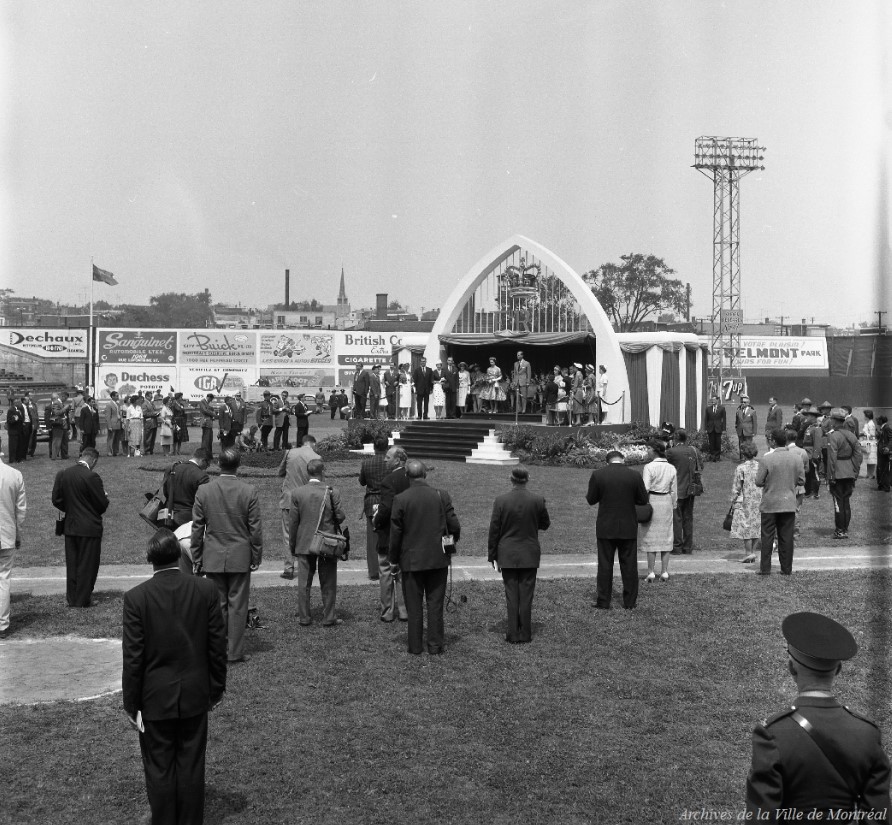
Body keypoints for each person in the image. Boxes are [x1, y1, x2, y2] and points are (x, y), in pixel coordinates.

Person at [123, 528, 227, 825]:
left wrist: (131, 704)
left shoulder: (136, 598)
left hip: (154, 699)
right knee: (191, 764)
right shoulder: (205, 590)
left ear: (149, 559)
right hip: (195, 694)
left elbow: (133, 658)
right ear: (179, 556)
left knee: (159, 766)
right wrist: (216, 689)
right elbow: (217, 645)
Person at [746, 612, 891, 818]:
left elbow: (761, 819)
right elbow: (879, 817)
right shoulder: (868, 734)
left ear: (791, 668)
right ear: (838, 669)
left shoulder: (773, 734)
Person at [190, 448, 262, 664]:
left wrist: (197, 556)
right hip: (239, 555)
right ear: (238, 465)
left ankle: (218, 650)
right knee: (238, 606)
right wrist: (256, 555)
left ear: (218, 464)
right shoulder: (248, 490)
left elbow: (197, 528)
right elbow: (255, 529)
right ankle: (235, 652)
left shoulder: (204, 491)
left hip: (213, 555)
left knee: (218, 605)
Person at [388, 459, 460, 654]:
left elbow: (395, 534)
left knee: (414, 606)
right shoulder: (441, 495)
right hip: (437, 559)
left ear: (407, 476)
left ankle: (415, 645)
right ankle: (435, 645)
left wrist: (393, 560)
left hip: (411, 561)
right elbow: (454, 526)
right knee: (435, 604)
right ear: (425, 474)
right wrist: (450, 543)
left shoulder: (401, 499)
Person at [488, 467, 550, 644]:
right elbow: (545, 524)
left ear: (511, 479)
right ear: (528, 479)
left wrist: (492, 555)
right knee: (526, 594)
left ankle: (513, 632)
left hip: (507, 552)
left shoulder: (501, 501)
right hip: (529, 552)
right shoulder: (537, 500)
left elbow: (494, 530)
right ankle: (526, 632)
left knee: (511, 594)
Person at [585, 449, 649, 609]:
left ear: (607, 461)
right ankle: (630, 602)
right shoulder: (634, 475)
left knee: (605, 565)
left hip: (606, 525)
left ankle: (604, 601)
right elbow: (642, 499)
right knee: (629, 565)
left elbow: (591, 499)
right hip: (628, 525)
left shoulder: (598, 474)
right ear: (623, 459)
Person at [288, 458, 347, 627]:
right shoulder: (332, 491)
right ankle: (329, 617)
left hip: (304, 542)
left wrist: (293, 545)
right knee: (328, 581)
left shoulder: (297, 492)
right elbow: (341, 516)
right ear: (323, 471)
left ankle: (304, 617)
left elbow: (293, 522)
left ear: (308, 472)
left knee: (303, 583)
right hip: (327, 542)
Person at [51, 447, 109, 607]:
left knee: (73, 564)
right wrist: (104, 497)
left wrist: (70, 508)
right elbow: (102, 505)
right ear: (94, 460)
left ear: (81, 456)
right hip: (90, 527)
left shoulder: (63, 474)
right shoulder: (92, 476)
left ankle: (72, 597)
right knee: (88, 564)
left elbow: (56, 499)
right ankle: (83, 599)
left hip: (71, 526)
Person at [755, 429, 805, 576]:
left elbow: (758, 481)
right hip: (788, 503)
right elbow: (802, 480)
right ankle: (786, 568)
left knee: (767, 537)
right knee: (786, 538)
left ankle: (765, 569)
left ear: (773, 441)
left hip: (770, 503)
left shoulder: (766, 459)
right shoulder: (796, 458)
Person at [372, 447, 410, 623]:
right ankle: (404, 611)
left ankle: (387, 611)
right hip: (409, 534)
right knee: (403, 573)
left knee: (386, 571)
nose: (385, 460)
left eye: (388, 457)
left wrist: (376, 520)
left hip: (389, 534)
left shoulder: (389, 481)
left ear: (398, 460)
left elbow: (386, 509)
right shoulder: (413, 477)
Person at [278, 434, 321, 580]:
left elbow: (280, 472)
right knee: (307, 532)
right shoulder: (316, 456)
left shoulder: (290, 452)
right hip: (307, 499)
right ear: (312, 443)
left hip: (289, 499)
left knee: (287, 534)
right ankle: (306, 567)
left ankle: (288, 568)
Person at [166, 448, 211, 576]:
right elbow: (204, 501)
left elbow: (166, 492)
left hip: (170, 518)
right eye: (207, 464)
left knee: (175, 558)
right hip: (189, 521)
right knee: (194, 562)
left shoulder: (172, 468)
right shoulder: (201, 476)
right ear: (202, 460)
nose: (206, 467)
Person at [638, 440, 677, 582]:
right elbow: (674, 490)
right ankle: (665, 571)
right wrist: (673, 504)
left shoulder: (649, 467)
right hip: (666, 501)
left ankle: (650, 571)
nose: (647, 451)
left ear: (654, 450)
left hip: (653, 501)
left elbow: (645, 488)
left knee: (651, 535)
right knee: (666, 535)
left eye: (649, 448)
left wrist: (641, 502)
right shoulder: (671, 467)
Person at [0, 437, 26, 638]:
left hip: (7, 533)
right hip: (6, 534)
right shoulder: (14, 474)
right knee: (3, 580)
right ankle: (2, 623)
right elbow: (20, 511)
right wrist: (18, 533)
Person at [826, 407, 863, 540]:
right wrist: (855, 470)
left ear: (835, 421)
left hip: (838, 473)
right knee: (846, 502)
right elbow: (858, 455)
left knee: (838, 502)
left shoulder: (833, 435)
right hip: (849, 471)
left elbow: (832, 459)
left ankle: (840, 530)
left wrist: (830, 476)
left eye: (831, 419)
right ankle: (845, 528)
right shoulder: (851, 435)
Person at [358, 436, 389, 581]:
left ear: (374, 447)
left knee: (372, 539)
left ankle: (373, 571)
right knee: (389, 534)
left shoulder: (367, 463)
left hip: (372, 501)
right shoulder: (390, 463)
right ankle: (389, 566)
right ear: (387, 447)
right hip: (387, 501)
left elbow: (362, 482)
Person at [667, 429, 701, 556]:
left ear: (676, 438)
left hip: (676, 489)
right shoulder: (694, 450)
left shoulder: (671, 452)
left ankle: (676, 546)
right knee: (688, 518)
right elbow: (700, 466)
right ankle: (687, 546)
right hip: (690, 488)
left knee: (677, 519)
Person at [730, 442, 764, 563]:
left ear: (743, 453)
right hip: (759, 499)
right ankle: (753, 553)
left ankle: (748, 553)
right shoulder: (760, 466)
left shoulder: (741, 468)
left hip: (745, 500)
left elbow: (737, 486)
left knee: (746, 527)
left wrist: (733, 499)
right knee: (756, 526)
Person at [703, 394, 726, 462]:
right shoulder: (708, 408)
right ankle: (712, 456)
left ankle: (717, 456)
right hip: (710, 428)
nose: (712, 401)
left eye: (714, 399)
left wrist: (724, 429)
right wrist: (705, 428)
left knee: (718, 443)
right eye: (712, 399)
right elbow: (706, 419)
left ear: (717, 400)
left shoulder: (722, 408)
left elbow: (724, 419)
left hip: (718, 428)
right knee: (711, 443)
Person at [735, 394, 757, 460]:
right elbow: (737, 421)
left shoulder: (752, 411)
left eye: (745, 402)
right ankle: (742, 458)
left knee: (748, 445)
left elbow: (754, 423)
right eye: (742, 402)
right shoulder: (738, 411)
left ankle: (748, 458)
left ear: (748, 403)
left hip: (748, 431)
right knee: (741, 445)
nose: (743, 403)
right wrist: (737, 428)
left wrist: (754, 432)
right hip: (740, 431)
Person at [5, 395, 25, 464]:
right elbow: (9, 420)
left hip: (18, 430)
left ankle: (18, 458)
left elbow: (21, 418)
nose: (19, 403)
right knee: (13, 446)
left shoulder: (19, 409)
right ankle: (12, 459)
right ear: (14, 402)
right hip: (13, 431)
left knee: (18, 445)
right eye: (18, 402)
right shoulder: (11, 410)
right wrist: (14, 419)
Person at [861, 409, 877, 480]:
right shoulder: (867, 423)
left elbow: (872, 435)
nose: (864, 416)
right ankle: (868, 473)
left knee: (871, 459)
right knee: (868, 459)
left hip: (871, 443)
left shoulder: (871, 424)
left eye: (865, 415)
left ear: (867, 416)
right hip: (867, 443)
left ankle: (871, 474)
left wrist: (864, 434)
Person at [105, 391, 124, 457]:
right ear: (112, 396)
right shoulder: (109, 405)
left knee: (117, 439)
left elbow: (119, 414)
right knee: (111, 438)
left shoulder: (118, 404)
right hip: (112, 424)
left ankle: (116, 451)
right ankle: (109, 452)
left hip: (118, 424)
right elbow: (107, 416)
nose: (118, 397)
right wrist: (109, 426)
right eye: (116, 396)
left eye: (118, 396)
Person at [22, 390, 38, 458]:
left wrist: (38, 424)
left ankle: (32, 452)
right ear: (27, 396)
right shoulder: (25, 404)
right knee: (29, 438)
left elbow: (36, 414)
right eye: (31, 395)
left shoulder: (34, 404)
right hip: (29, 424)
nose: (33, 396)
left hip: (35, 424)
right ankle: (27, 451)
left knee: (34, 438)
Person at [877, 415, 891, 492]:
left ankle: (886, 486)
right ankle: (882, 484)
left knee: (884, 469)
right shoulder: (883, 428)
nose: (877, 421)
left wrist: (888, 448)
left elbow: (890, 438)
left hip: (884, 451)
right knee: (881, 468)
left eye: (878, 420)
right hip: (881, 451)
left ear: (881, 420)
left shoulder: (887, 428)